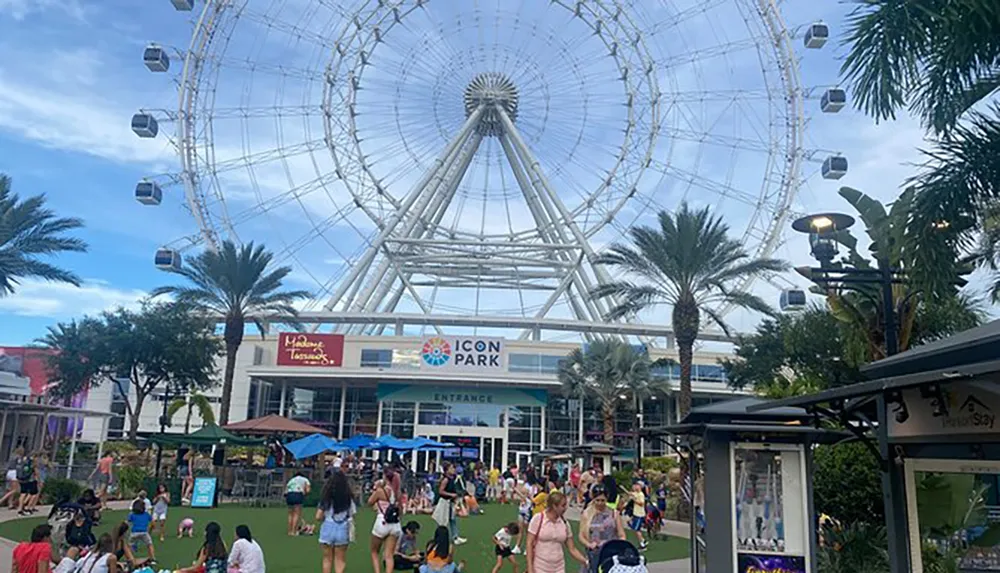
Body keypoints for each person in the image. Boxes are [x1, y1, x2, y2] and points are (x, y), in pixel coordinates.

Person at [526, 492, 588, 573]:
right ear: (554, 506)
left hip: (559, 567)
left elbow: (572, 548)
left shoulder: (565, 523)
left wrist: (585, 561)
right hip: (540, 566)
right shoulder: (538, 519)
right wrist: (530, 568)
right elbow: (529, 544)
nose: (565, 508)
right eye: (563, 505)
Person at [579, 485, 626, 573]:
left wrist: (618, 545)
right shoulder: (586, 514)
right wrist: (589, 544)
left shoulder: (614, 514)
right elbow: (581, 536)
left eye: (602, 500)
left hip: (610, 553)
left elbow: (622, 534)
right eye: (597, 500)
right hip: (593, 553)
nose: (600, 503)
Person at [317, 471, 355, 573]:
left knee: (327, 559)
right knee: (340, 560)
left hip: (328, 527)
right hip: (342, 527)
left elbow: (318, 516)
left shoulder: (326, 497)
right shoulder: (348, 497)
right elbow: (352, 513)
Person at [368, 475, 402, 573]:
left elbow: (370, 502)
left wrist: (376, 488)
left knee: (374, 551)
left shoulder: (380, 491)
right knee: (389, 555)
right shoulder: (397, 492)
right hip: (395, 523)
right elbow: (400, 510)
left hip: (382, 521)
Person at [432, 462, 465, 546]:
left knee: (452, 519)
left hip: (450, 502)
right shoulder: (446, 479)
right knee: (442, 521)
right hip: (445, 502)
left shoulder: (452, 479)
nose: (453, 470)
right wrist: (451, 494)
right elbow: (441, 491)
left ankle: (455, 537)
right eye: (451, 468)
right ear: (447, 470)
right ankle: (439, 538)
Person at [285, 471, 312, 536]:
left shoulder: (291, 480)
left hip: (289, 495)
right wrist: (304, 493)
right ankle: (294, 531)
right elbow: (308, 490)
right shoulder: (305, 479)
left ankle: (289, 531)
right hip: (298, 494)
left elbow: (286, 491)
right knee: (296, 514)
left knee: (290, 514)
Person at [16, 448, 38, 516]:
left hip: (21, 478)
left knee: (23, 493)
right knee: (33, 493)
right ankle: (28, 508)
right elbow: (35, 470)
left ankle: (20, 508)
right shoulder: (31, 461)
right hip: (30, 479)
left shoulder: (21, 460)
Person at [628, 482, 648, 549]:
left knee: (636, 530)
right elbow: (631, 493)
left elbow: (641, 503)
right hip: (635, 514)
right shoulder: (636, 493)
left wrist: (634, 500)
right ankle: (643, 540)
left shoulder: (641, 494)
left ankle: (642, 544)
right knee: (635, 529)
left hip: (639, 514)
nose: (635, 487)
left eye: (637, 485)